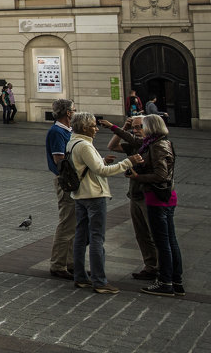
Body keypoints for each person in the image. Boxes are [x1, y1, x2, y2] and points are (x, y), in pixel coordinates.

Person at [67, 112, 141, 294]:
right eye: (93, 125)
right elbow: (102, 171)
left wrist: (102, 160)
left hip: (80, 195)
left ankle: (80, 277)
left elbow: (86, 166)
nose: (96, 128)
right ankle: (99, 281)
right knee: (96, 239)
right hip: (93, 196)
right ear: (84, 127)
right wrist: (127, 162)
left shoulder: (72, 142)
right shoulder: (84, 145)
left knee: (81, 237)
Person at [99, 116, 158, 282]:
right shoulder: (135, 145)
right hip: (134, 194)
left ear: (149, 128)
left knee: (153, 233)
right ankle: (150, 266)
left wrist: (114, 126)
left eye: (139, 127)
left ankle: (161, 267)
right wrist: (124, 126)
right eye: (134, 127)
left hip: (148, 195)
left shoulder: (150, 145)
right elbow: (112, 146)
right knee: (141, 233)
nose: (136, 130)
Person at [129, 114, 183, 296]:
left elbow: (161, 175)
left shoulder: (158, 145)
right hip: (165, 196)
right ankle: (176, 281)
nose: (139, 129)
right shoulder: (157, 143)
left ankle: (166, 282)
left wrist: (138, 177)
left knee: (163, 242)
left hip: (157, 198)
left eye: (142, 126)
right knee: (169, 240)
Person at [45, 99, 76, 278]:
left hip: (71, 180)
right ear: (68, 113)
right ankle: (58, 264)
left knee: (73, 224)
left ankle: (70, 262)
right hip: (66, 181)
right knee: (67, 223)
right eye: (74, 109)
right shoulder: (57, 131)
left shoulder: (67, 130)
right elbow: (59, 159)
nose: (75, 111)